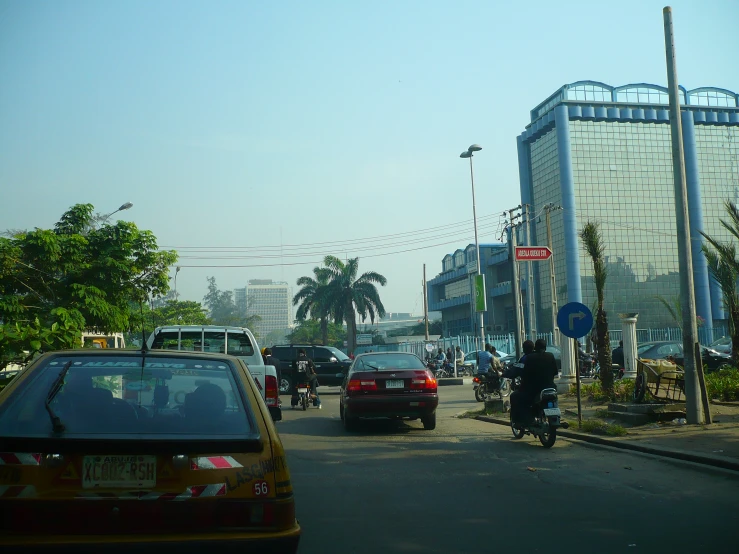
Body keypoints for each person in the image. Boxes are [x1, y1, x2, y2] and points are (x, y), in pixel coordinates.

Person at [503, 339, 558, 427]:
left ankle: (526, 420)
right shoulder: (550, 356)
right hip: (550, 387)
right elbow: (555, 372)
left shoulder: (528, 358)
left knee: (515, 396)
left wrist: (505, 374)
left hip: (533, 390)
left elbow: (519, 370)